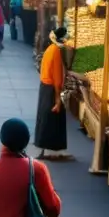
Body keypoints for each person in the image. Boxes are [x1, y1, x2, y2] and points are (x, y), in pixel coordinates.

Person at [35, 27, 72, 160]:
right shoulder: (56, 51)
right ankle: (53, 150)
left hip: (44, 87)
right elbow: (57, 75)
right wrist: (58, 97)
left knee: (44, 117)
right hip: (51, 88)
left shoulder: (50, 50)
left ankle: (44, 148)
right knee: (53, 119)